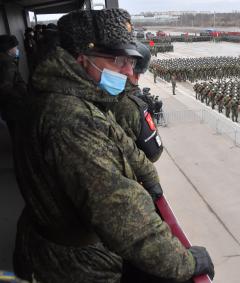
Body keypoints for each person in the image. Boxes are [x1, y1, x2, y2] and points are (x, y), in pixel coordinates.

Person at [12, 9, 214, 283]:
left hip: (67, 242)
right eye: (118, 60)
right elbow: (120, 212)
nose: (129, 72)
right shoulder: (71, 119)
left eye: (131, 61)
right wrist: (185, 262)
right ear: (82, 59)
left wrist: (148, 178)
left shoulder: (81, 95)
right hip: (74, 262)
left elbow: (119, 141)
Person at [112, 42, 164, 163]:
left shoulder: (105, 91)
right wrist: (147, 115)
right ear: (139, 73)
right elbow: (154, 153)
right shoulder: (133, 105)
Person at [0, 34, 27, 135]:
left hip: (7, 108)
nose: (17, 49)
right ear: (8, 49)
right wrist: (22, 96)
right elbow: (6, 88)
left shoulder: (4, 60)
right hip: (14, 107)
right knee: (18, 134)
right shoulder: (7, 64)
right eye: (15, 47)